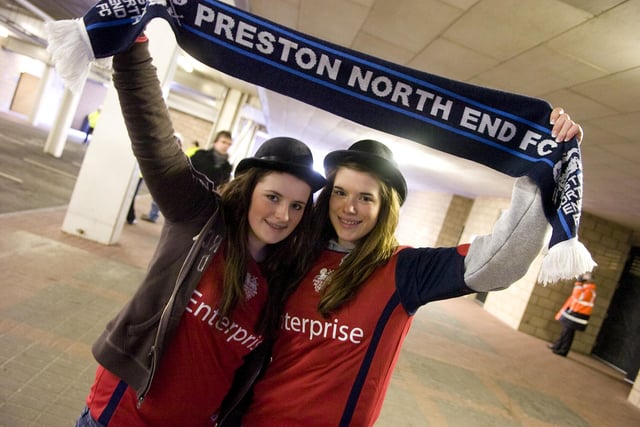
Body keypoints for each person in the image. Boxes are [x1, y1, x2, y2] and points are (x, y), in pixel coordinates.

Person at [237, 109, 584, 426]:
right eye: (340, 192)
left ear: (385, 205)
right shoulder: (297, 254)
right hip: (256, 417)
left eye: (365, 197)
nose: (349, 208)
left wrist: (542, 167)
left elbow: (501, 261)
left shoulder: (404, 270)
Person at [74, 35, 325, 427]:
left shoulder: (284, 272)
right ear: (248, 188)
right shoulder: (200, 218)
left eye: (296, 206)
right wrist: (132, 46)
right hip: (123, 416)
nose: (282, 215)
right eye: (273, 197)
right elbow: (154, 139)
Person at [549, 272, 597, 357]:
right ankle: (557, 346)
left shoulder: (590, 289)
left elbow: (578, 296)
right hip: (574, 313)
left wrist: (578, 283)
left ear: (589, 280)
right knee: (565, 331)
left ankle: (563, 350)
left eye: (585, 278)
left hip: (578, 315)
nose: (583, 279)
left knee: (568, 333)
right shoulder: (586, 288)